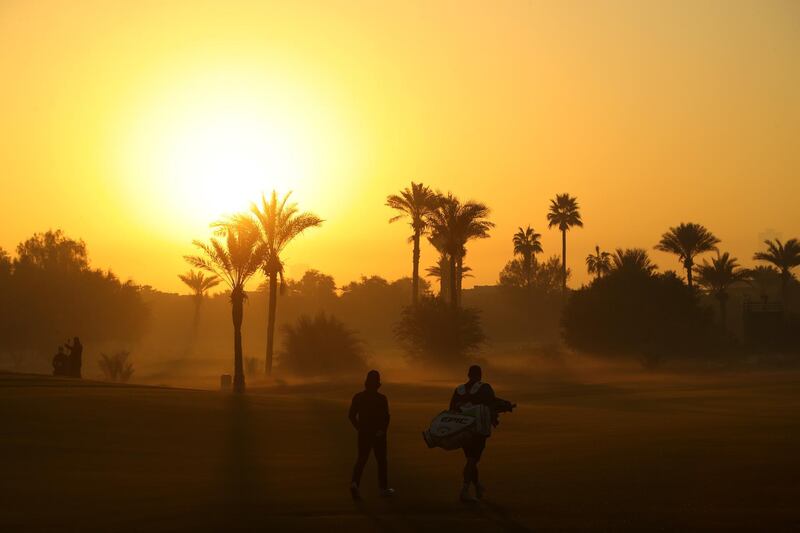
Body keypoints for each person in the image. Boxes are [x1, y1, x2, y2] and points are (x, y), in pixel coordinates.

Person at [450, 364, 495, 503]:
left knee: (471, 459)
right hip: (478, 430)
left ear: (468, 375)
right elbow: (492, 405)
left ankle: (477, 487)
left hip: (462, 430)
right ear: (480, 375)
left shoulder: (459, 390)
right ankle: (464, 490)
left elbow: (451, 409)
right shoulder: (485, 388)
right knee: (472, 460)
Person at [348, 370, 394, 500]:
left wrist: (359, 428)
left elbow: (351, 416)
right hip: (378, 434)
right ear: (377, 384)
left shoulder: (358, 397)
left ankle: (354, 484)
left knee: (361, 459)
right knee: (381, 461)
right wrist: (382, 430)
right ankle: (383, 489)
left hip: (364, 433)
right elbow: (386, 417)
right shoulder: (382, 398)